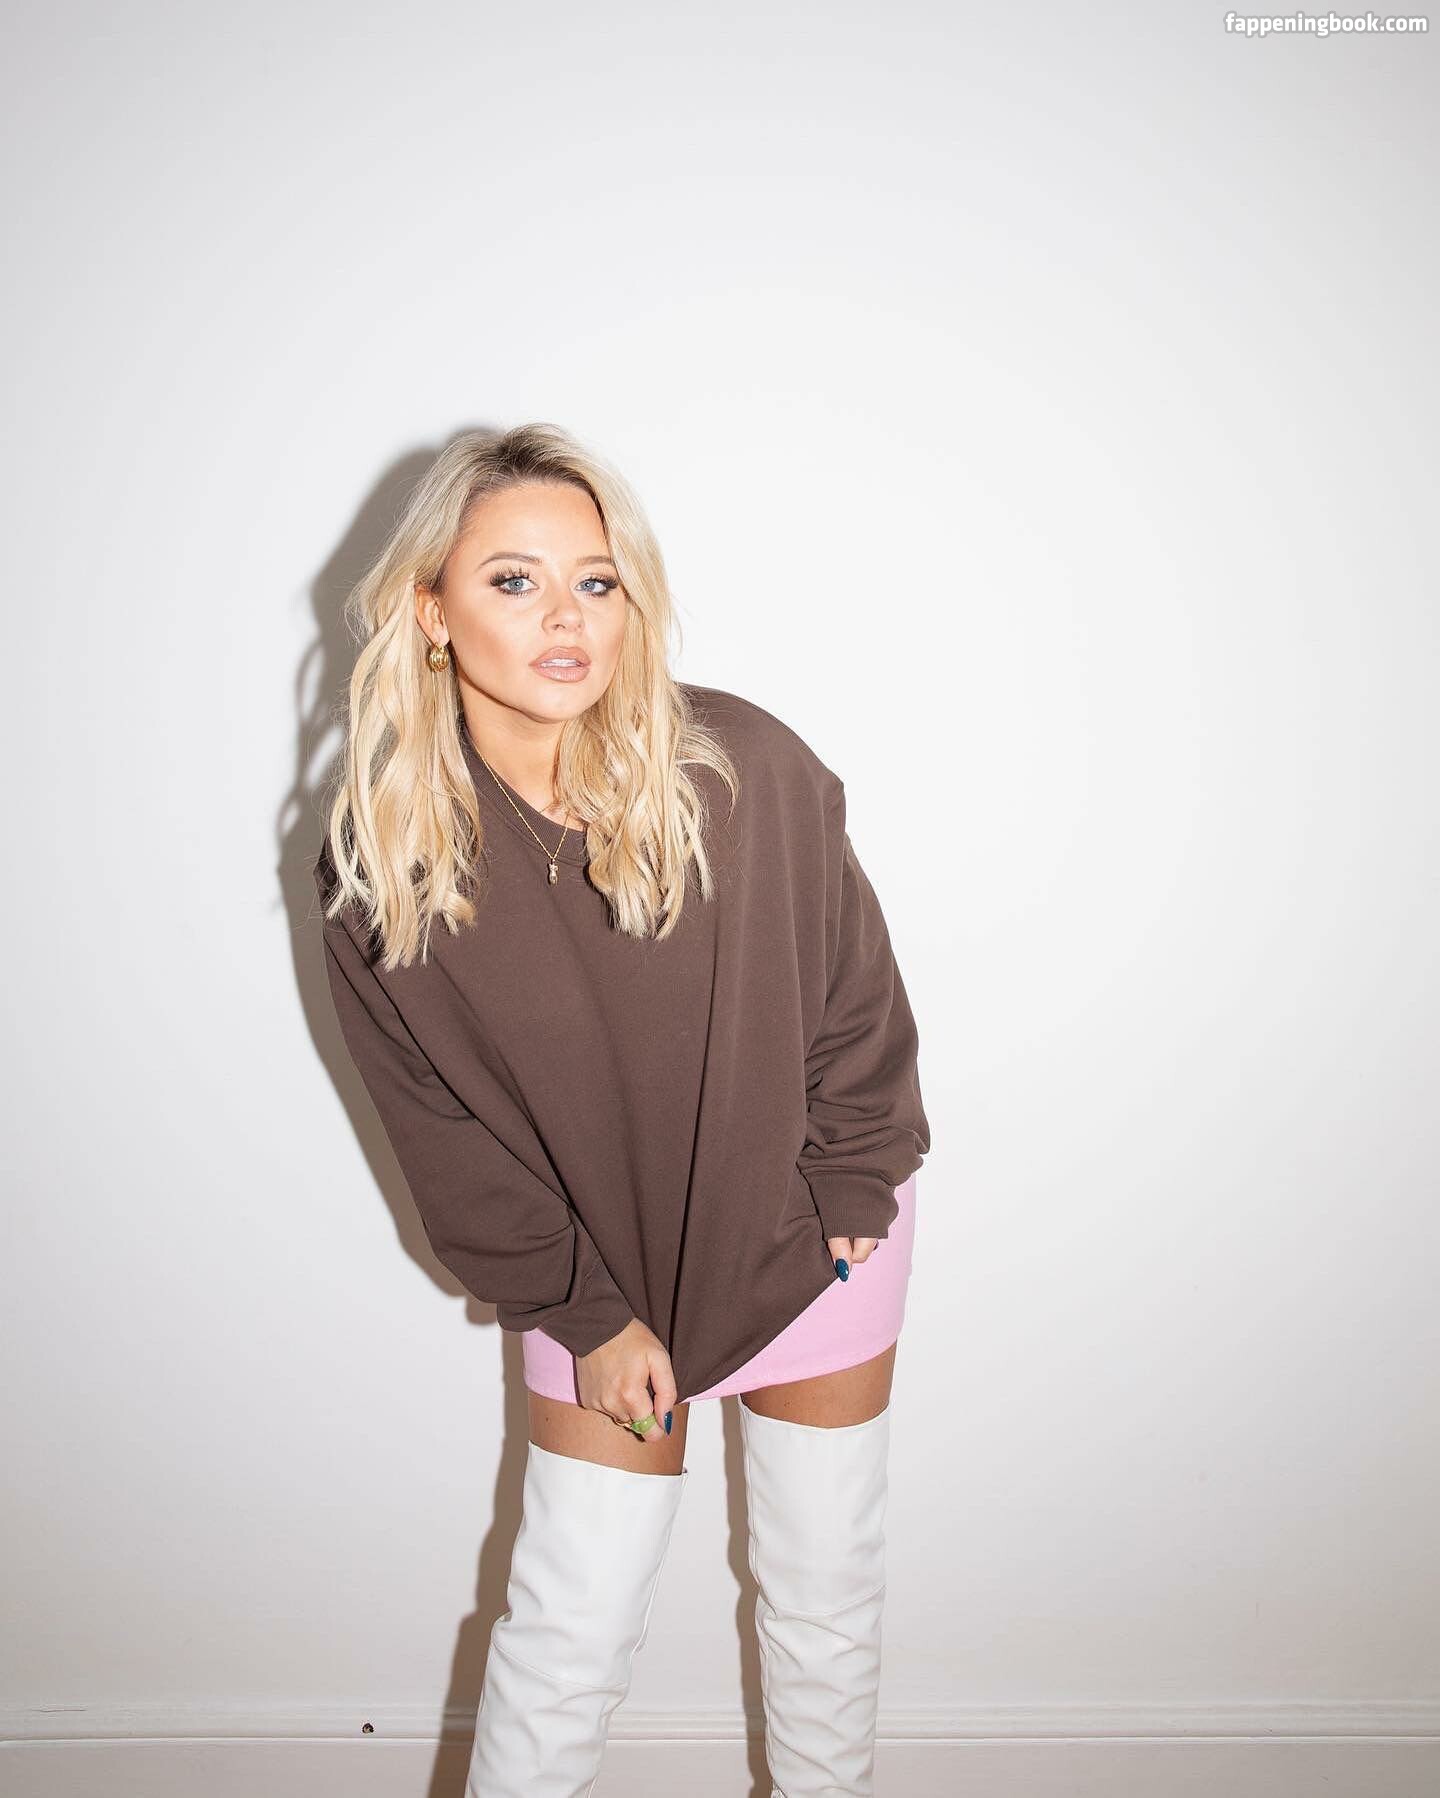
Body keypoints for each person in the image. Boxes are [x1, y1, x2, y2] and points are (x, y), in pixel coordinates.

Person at [312, 421, 931, 1797]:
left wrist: (850, 1182)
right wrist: (586, 1312)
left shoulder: (742, 767)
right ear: (431, 608)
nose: (567, 618)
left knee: (824, 1599)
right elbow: (440, 1132)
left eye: (596, 581)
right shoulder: (381, 863)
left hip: (811, 1235)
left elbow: (855, 994)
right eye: (514, 580)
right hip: (594, 1274)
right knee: (570, 1619)